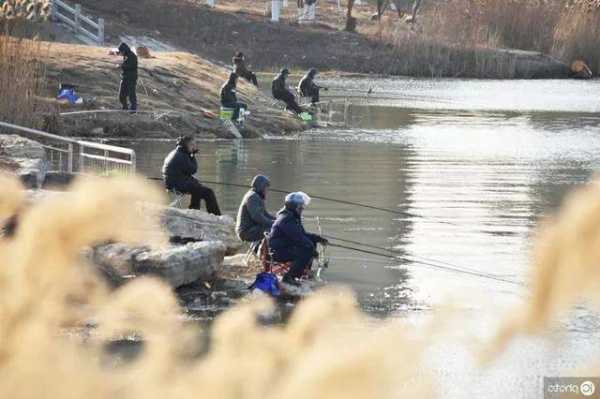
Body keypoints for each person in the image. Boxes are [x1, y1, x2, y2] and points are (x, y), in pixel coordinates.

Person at [268, 192, 328, 286]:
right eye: (300, 207)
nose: (302, 209)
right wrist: (312, 249)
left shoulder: (293, 217)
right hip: (278, 251)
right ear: (293, 207)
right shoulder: (286, 219)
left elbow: (302, 234)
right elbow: (298, 237)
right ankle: (289, 278)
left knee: (311, 243)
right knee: (306, 250)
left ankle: (304, 270)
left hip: (285, 246)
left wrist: (318, 238)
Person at [162, 136, 221, 215]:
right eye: (192, 145)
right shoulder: (182, 155)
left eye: (194, 145)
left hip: (171, 183)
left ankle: (194, 209)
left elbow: (185, 172)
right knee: (208, 192)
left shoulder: (176, 152)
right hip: (177, 185)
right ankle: (214, 216)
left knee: (198, 187)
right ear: (186, 145)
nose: (194, 147)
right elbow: (193, 169)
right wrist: (193, 155)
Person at [236, 175, 275, 247]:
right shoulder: (252, 197)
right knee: (273, 230)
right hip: (246, 231)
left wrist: (278, 220)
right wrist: (274, 224)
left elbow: (265, 215)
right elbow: (257, 217)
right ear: (261, 187)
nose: (267, 191)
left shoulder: (256, 196)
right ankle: (269, 253)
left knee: (275, 227)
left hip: (252, 228)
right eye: (266, 188)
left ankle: (262, 250)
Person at [117, 42, 138, 112]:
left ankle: (133, 109)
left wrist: (121, 66)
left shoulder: (132, 56)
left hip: (131, 78)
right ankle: (125, 107)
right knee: (121, 95)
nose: (121, 53)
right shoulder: (126, 56)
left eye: (121, 51)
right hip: (125, 78)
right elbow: (125, 66)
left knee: (131, 94)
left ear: (124, 50)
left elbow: (131, 66)